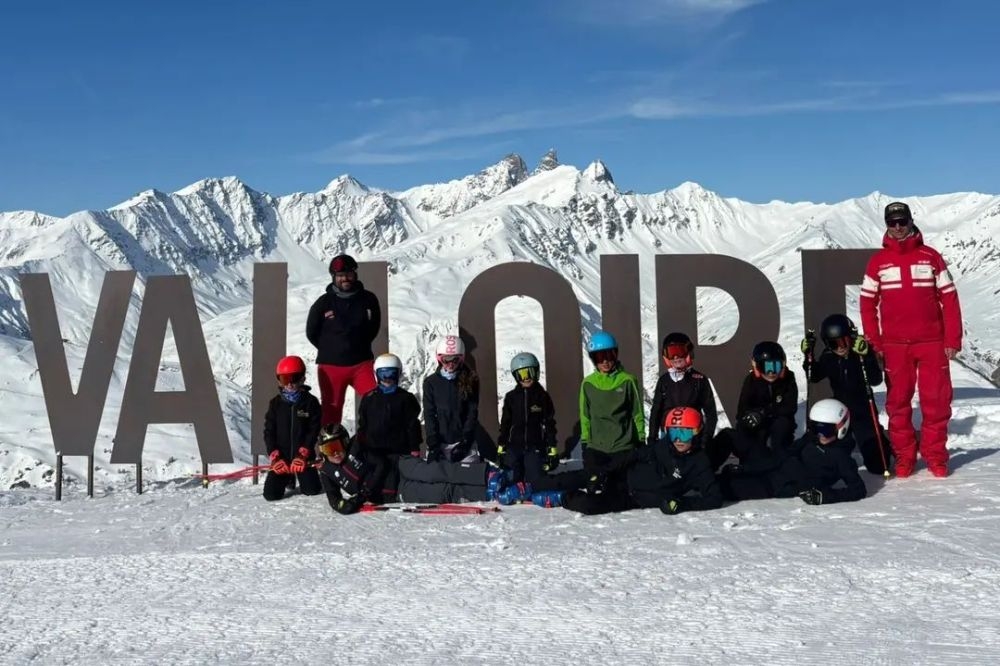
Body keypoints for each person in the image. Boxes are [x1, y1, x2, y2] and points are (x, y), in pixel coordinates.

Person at [860, 201, 963, 478]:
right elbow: (867, 305)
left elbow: (950, 299)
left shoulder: (930, 257)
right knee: (897, 404)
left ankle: (936, 456)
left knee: (936, 401)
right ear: (886, 225)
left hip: (932, 343)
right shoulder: (877, 262)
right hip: (894, 347)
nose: (897, 227)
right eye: (891, 223)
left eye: (901, 221)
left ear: (910, 220)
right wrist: (875, 343)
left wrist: (952, 339)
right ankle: (905, 456)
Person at [718, 398, 867, 506]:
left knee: (722, 488)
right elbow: (786, 454)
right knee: (731, 436)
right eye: (815, 428)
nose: (820, 434)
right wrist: (748, 468)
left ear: (842, 427)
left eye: (826, 430)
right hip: (775, 468)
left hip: (778, 486)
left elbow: (858, 490)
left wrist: (824, 497)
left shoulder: (841, 458)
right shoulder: (812, 438)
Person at [561, 330, 645, 515]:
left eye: (609, 355)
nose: (605, 361)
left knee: (619, 493)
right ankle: (568, 496)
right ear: (593, 359)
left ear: (616, 354)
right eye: (600, 357)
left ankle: (581, 500)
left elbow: (637, 413)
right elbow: (586, 417)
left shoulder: (628, 381)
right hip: (597, 450)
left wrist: (640, 441)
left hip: (623, 450)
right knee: (595, 487)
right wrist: (586, 445)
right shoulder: (588, 384)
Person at [801, 314, 893, 475]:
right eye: (833, 344)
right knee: (834, 460)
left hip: (863, 411)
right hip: (840, 412)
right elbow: (814, 375)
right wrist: (808, 356)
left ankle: (884, 447)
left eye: (843, 341)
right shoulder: (829, 357)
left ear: (851, 338)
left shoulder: (860, 354)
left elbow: (875, 379)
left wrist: (867, 356)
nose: (840, 347)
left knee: (877, 466)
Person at [305, 253, 382, 426]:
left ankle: (371, 447)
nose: (345, 279)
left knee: (377, 402)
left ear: (355, 274)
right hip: (331, 367)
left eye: (348, 274)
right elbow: (311, 332)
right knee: (331, 412)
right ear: (334, 277)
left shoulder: (368, 299)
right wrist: (329, 348)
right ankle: (330, 452)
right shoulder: (323, 303)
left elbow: (374, 327)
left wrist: (358, 345)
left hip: (362, 364)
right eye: (340, 276)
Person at [628, 407, 723, 515]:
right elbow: (634, 455)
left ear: (697, 432)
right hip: (621, 480)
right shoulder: (663, 446)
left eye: (684, 433)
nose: (678, 439)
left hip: (631, 500)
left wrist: (681, 504)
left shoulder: (699, 463)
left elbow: (714, 499)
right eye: (674, 433)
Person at [647, 332, 722, 468]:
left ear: (688, 353)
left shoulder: (699, 380)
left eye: (679, 351)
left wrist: (705, 440)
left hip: (693, 436)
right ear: (666, 356)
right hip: (668, 435)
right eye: (671, 353)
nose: (676, 357)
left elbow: (711, 414)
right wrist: (652, 438)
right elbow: (656, 411)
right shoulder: (664, 381)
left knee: (692, 468)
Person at [718, 341, 798, 466]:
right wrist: (751, 417)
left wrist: (764, 412)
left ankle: (782, 465)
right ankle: (750, 463)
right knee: (747, 431)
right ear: (757, 367)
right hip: (758, 422)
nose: (771, 372)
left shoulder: (788, 379)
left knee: (781, 426)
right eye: (767, 367)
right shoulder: (751, 381)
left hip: (778, 420)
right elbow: (741, 411)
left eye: (775, 367)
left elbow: (789, 407)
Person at [263, 355, 322, 501]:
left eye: (294, 378)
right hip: (282, 459)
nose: (289, 384)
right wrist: (275, 457)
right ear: (279, 380)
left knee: (312, 490)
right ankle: (288, 477)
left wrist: (303, 454)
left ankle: (298, 476)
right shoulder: (275, 404)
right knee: (271, 495)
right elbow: (269, 431)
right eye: (284, 379)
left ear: (302, 378)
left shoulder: (311, 402)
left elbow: (313, 430)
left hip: (302, 459)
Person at [496, 352, 558, 486]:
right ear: (516, 376)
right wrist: (502, 446)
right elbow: (506, 423)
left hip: (534, 446)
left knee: (535, 482)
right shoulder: (511, 397)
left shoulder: (542, 397)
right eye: (522, 374)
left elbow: (549, 423)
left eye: (529, 373)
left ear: (536, 372)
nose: (526, 378)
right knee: (510, 480)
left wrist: (552, 448)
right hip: (514, 446)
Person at [422, 334, 481, 463]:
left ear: (462, 358)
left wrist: (466, 442)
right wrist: (433, 443)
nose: (450, 364)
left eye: (455, 360)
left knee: (465, 477)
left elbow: (472, 412)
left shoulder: (470, 380)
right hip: (440, 442)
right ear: (439, 358)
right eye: (445, 360)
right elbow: (429, 413)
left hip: (463, 442)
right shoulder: (431, 383)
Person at [316, 423, 399, 514]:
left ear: (345, 442)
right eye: (329, 450)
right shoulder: (327, 470)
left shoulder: (356, 448)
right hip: (391, 495)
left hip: (398, 472)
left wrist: (366, 490)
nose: (335, 453)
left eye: (337, 447)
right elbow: (334, 499)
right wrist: (343, 506)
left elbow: (381, 464)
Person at [356, 353, 422, 457]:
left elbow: (412, 425)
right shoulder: (369, 398)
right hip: (373, 451)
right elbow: (363, 424)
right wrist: (359, 445)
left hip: (399, 451)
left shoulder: (406, 398)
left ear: (398, 374)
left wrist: (414, 447)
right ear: (376, 374)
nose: (387, 378)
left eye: (392, 374)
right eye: (383, 374)